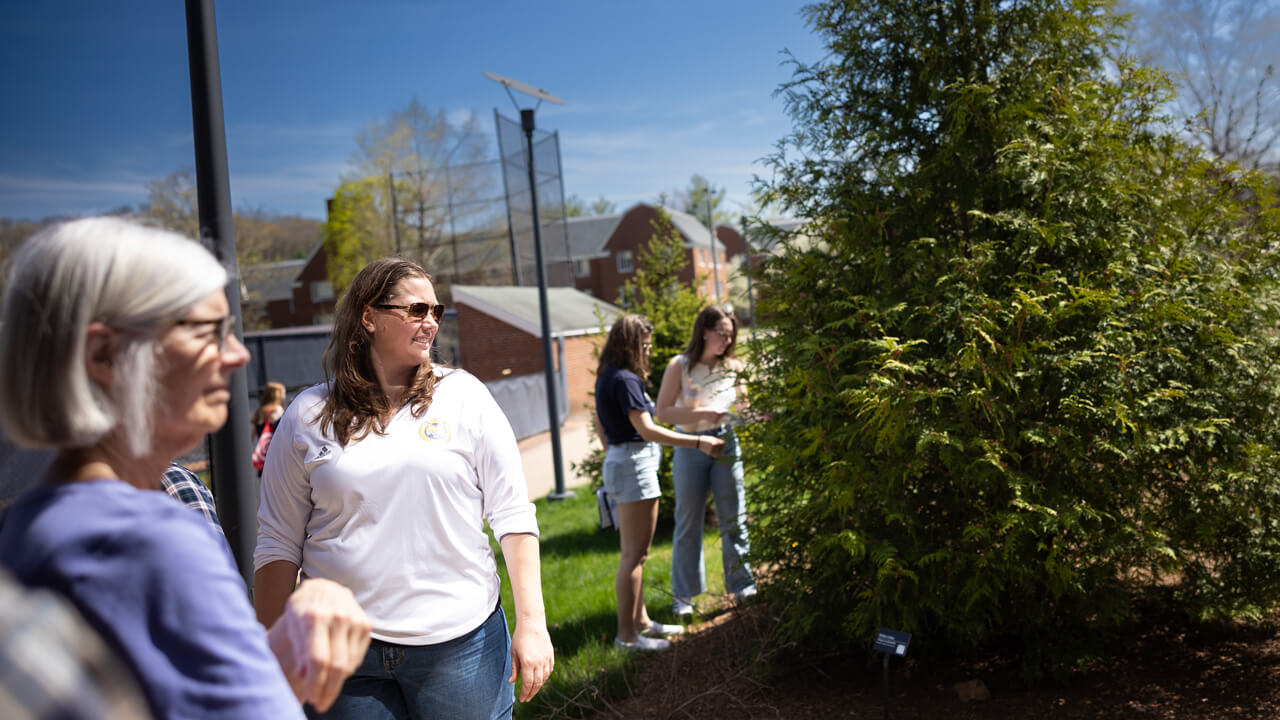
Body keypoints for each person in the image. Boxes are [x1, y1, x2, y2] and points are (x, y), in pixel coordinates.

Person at [0, 217, 371, 719]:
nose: (239, 355)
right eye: (209, 331)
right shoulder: (151, 538)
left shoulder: (35, 523)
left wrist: (279, 645)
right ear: (105, 354)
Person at [254, 257, 554, 720]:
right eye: (415, 310)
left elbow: (513, 516)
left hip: (461, 647)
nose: (430, 322)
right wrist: (268, 652)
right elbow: (277, 543)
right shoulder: (306, 415)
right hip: (341, 653)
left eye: (436, 310)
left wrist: (532, 622)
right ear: (369, 317)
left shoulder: (466, 397)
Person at [594, 314, 725, 652]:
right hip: (633, 467)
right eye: (645, 344)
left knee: (634, 553)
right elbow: (648, 430)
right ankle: (627, 637)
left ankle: (642, 622)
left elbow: (598, 420)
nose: (649, 351)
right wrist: (699, 442)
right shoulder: (625, 380)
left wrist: (613, 451)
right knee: (634, 556)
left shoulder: (609, 375)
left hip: (624, 462)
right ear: (632, 344)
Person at [656, 306, 758, 620]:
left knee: (734, 517)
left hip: (727, 443)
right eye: (721, 333)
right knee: (689, 522)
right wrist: (703, 415)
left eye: (731, 335)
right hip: (691, 447)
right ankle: (684, 596)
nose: (727, 340)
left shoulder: (734, 366)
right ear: (704, 331)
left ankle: (742, 586)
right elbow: (663, 412)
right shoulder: (681, 365)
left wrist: (752, 414)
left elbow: (744, 408)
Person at [251, 381, 286, 473]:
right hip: (277, 458)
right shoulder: (278, 411)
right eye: (283, 393)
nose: (284, 396)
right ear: (277, 395)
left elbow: (251, 435)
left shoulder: (258, 412)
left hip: (264, 458)